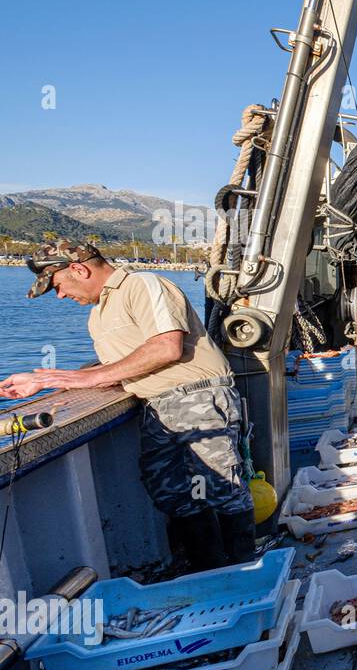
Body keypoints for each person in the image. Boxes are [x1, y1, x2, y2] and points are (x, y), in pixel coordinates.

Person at [0, 241, 255, 571]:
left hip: (196, 397)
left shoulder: (142, 285)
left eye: (58, 286)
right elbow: (121, 368)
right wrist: (47, 382)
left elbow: (167, 346)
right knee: (170, 490)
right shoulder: (98, 316)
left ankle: (246, 569)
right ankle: (208, 568)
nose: (60, 296)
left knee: (221, 485)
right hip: (157, 406)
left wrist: (83, 380)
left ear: (79, 269)